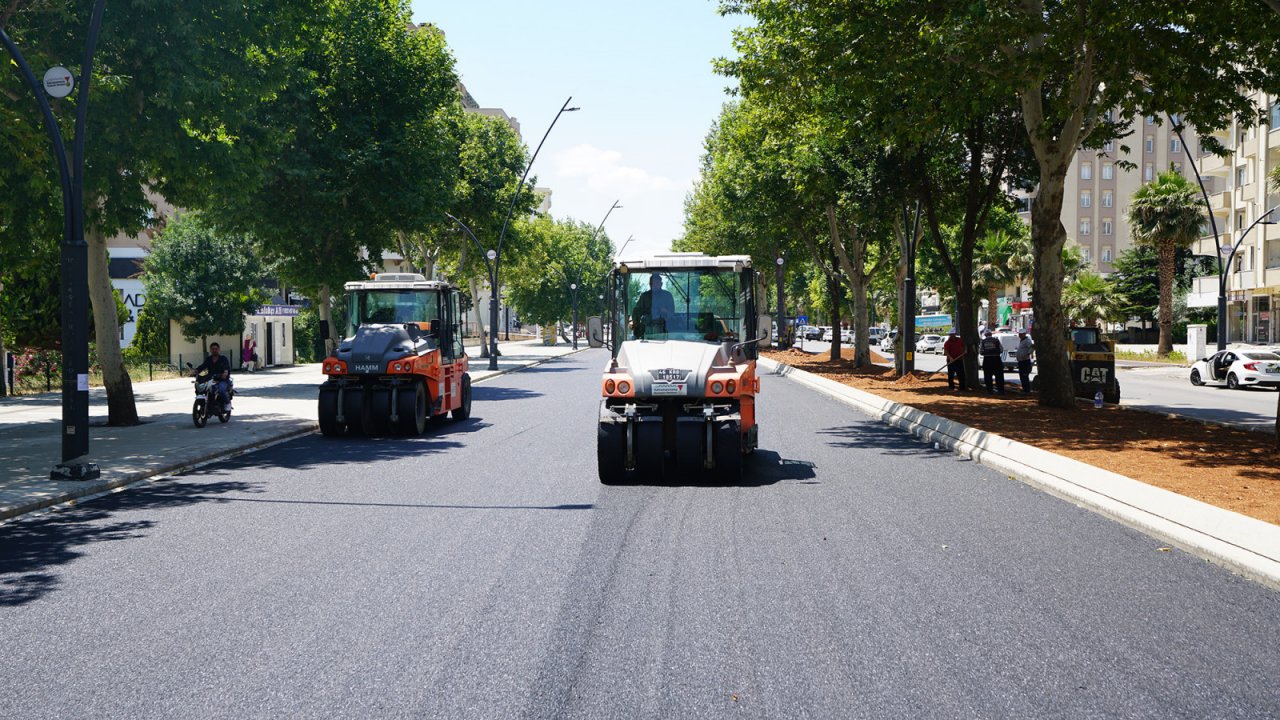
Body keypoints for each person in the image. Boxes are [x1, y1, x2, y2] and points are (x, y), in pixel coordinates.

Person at [630, 273, 675, 338]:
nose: (655, 285)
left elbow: (671, 314)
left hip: (662, 330)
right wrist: (634, 322)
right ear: (650, 284)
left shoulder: (667, 296)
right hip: (646, 329)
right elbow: (637, 311)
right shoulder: (644, 296)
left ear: (661, 284)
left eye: (657, 283)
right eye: (653, 283)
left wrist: (665, 311)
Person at [194, 342, 234, 411]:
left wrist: (225, 373)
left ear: (219, 349)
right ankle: (204, 403)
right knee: (201, 387)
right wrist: (196, 371)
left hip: (221, 380)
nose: (214, 350)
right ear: (210, 350)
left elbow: (226, 368)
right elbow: (203, 367)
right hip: (211, 380)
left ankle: (227, 403)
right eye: (213, 349)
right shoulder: (208, 359)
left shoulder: (223, 359)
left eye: (216, 349)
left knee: (221, 390)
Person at [979, 329, 1005, 394]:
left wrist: (986, 353)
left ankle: (989, 390)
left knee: (988, 376)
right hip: (996, 359)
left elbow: (980, 351)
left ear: (985, 335)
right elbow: (1001, 350)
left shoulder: (983, 341)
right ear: (991, 334)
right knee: (999, 376)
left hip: (987, 360)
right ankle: (1001, 390)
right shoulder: (996, 340)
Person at [1015, 329, 1035, 394]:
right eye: (1019, 334)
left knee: (1024, 376)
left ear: (1024, 334)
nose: (1019, 335)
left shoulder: (1027, 341)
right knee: (1021, 376)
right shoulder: (1022, 341)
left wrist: (1028, 354)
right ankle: (1024, 389)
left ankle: (1027, 389)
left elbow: (1032, 347)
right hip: (1021, 361)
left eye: (1021, 334)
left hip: (1025, 361)